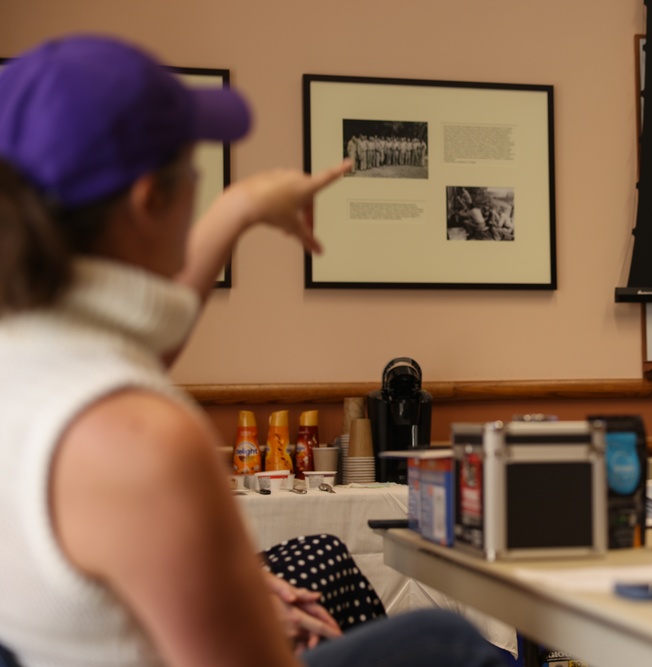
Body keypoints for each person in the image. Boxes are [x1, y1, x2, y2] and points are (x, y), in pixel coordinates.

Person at [0, 35, 506, 667]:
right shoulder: (140, 440)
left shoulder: (30, 365)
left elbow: (131, 346)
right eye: (193, 176)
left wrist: (239, 210)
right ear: (149, 199)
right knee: (446, 642)